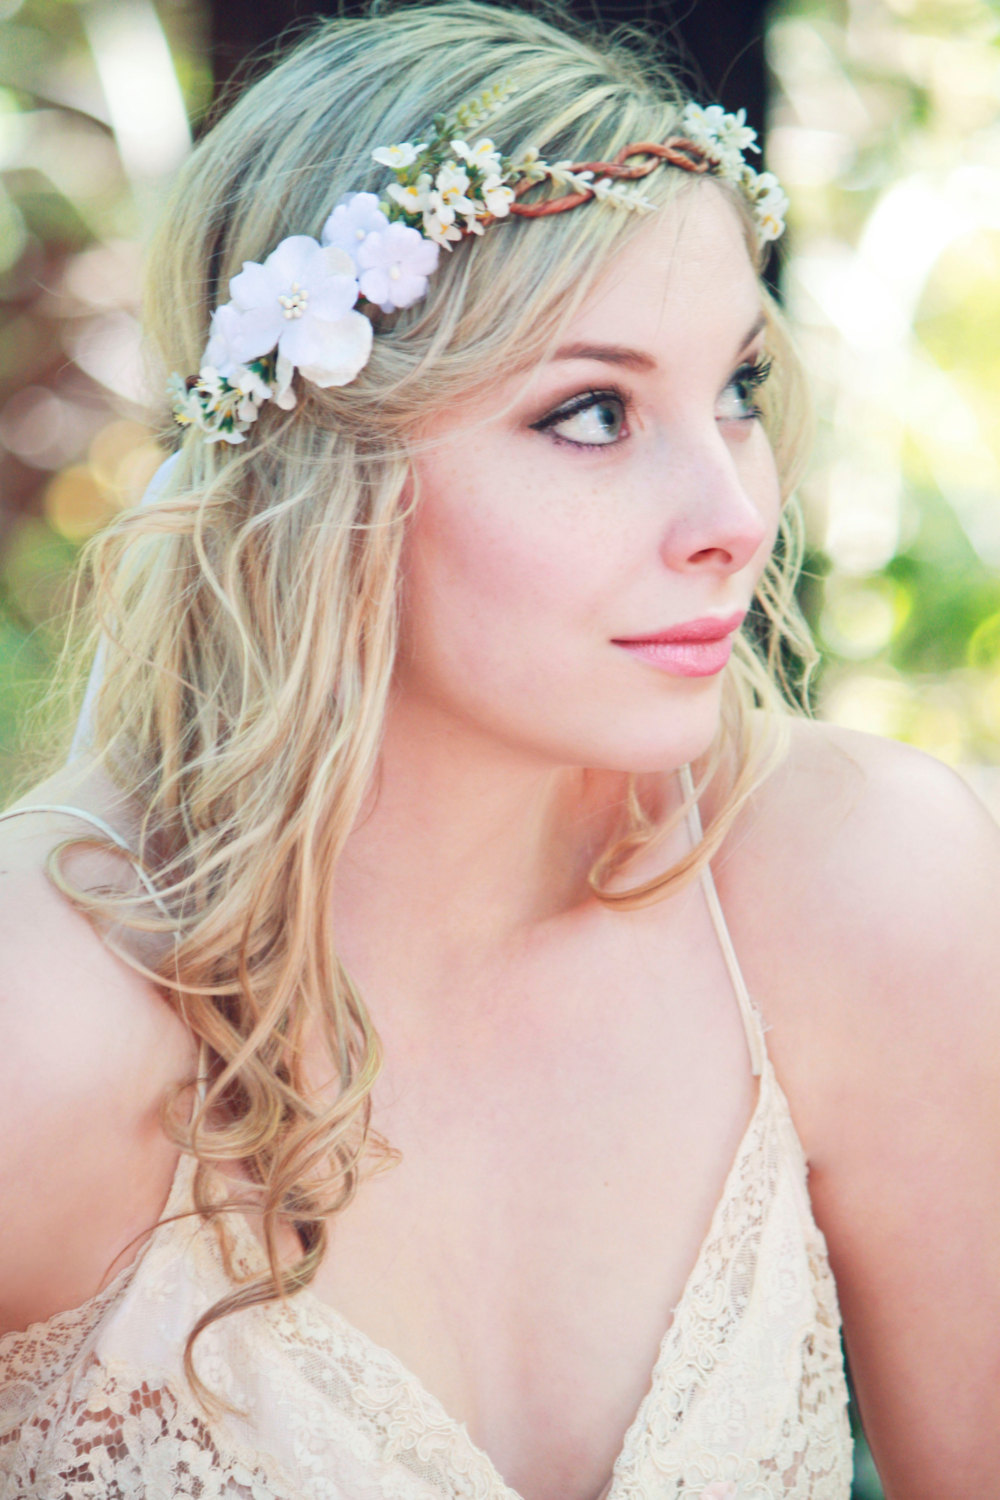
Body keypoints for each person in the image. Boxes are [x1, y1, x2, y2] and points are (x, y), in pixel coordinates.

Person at [1, 4, 998, 1496]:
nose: (731, 509)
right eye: (591, 412)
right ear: (325, 470)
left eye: (733, 388)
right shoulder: (52, 1010)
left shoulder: (863, 896)